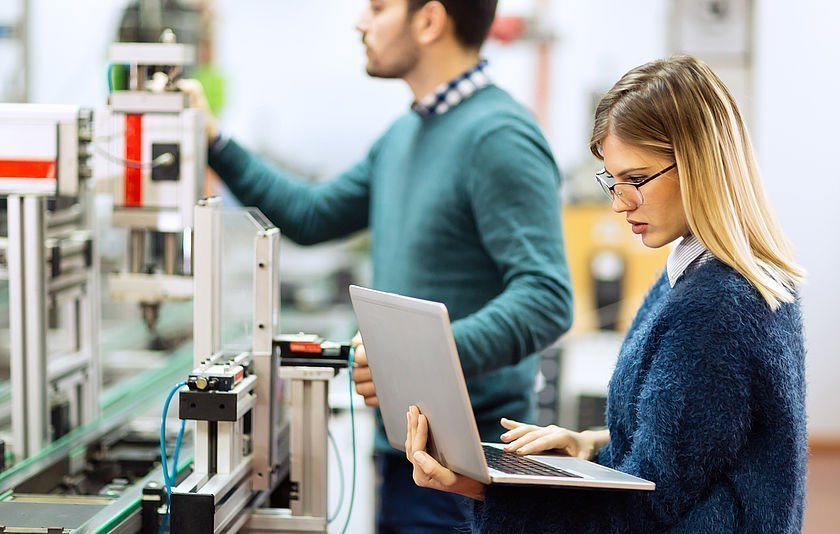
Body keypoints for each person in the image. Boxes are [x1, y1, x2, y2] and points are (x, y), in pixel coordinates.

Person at [180, 0, 574, 531]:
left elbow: (546, 298)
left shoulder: (499, 137)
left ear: (429, 21)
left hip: (467, 468)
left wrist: (409, 360)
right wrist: (214, 141)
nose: (360, 22)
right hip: (406, 452)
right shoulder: (405, 135)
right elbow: (311, 215)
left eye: (379, 7)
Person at [405, 54, 807, 533]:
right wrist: (588, 444)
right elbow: (692, 453)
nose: (619, 203)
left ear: (701, 163)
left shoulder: (719, 308)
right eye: (612, 182)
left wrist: (478, 487)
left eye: (635, 181)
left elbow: (642, 512)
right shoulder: (706, 277)